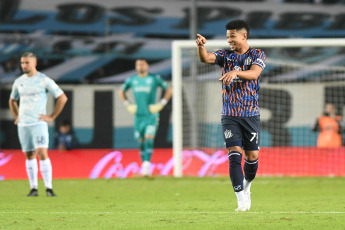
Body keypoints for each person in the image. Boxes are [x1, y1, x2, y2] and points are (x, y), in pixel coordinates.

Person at [196, 19, 266, 211]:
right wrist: (201, 47)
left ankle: (247, 186)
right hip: (229, 115)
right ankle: (240, 201)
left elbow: (254, 74)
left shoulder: (257, 54)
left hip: (251, 115)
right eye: (228, 37)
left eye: (232, 36)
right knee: (234, 154)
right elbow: (206, 58)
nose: (229, 41)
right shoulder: (225, 55)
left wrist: (236, 72)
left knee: (251, 157)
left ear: (244, 35)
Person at [9, 52, 68, 197]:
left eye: (27, 62)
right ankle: (33, 188)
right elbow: (12, 100)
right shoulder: (19, 81)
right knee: (29, 155)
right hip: (24, 125)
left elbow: (62, 97)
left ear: (35, 63)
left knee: (42, 153)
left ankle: (49, 188)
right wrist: (17, 116)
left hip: (38, 124)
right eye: (22, 63)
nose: (24, 65)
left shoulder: (43, 80)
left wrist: (52, 116)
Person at [119, 59, 172, 177]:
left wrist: (161, 103)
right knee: (141, 142)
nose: (140, 66)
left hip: (151, 115)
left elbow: (169, 89)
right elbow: (121, 91)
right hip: (138, 116)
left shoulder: (154, 79)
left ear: (147, 66)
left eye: (142, 64)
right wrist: (128, 104)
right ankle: (144, 167)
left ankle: (147, 165)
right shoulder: (132, 80)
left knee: (149, 138)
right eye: (138, 64)